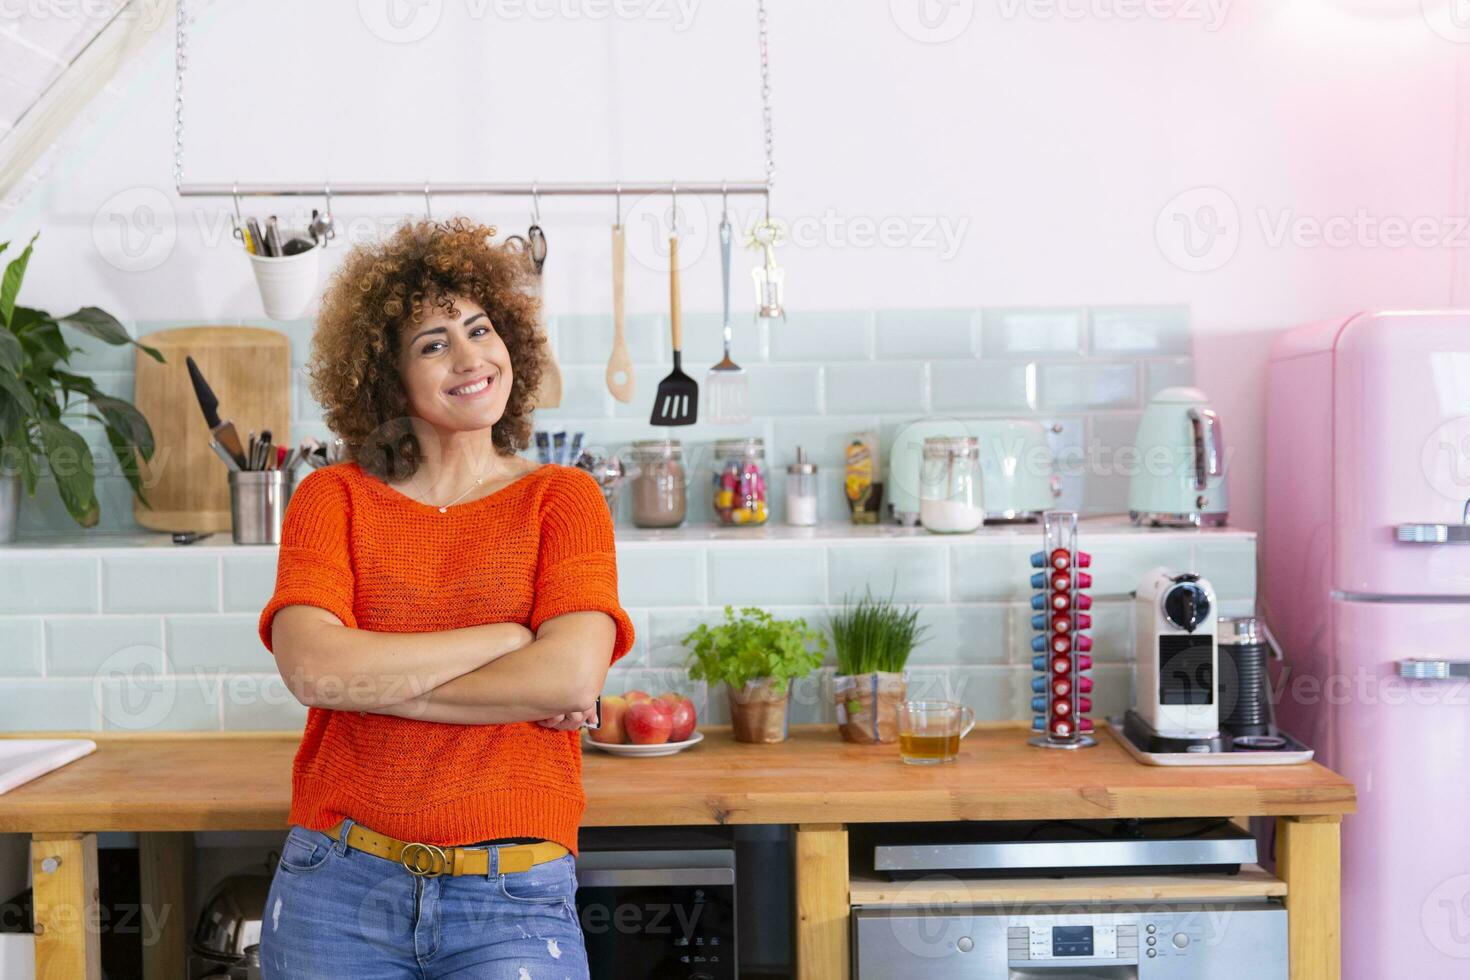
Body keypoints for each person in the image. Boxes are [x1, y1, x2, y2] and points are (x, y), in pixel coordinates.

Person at [255, 216, 633, 979]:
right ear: (388, 377)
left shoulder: (564, 499)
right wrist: (507, 638)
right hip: (339, 882)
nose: (470, 358)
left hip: (513, 896)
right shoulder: (333, 499)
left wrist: (372, 685)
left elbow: (567, 679)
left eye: (480, 328)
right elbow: (314, 669)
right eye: (434, 343)